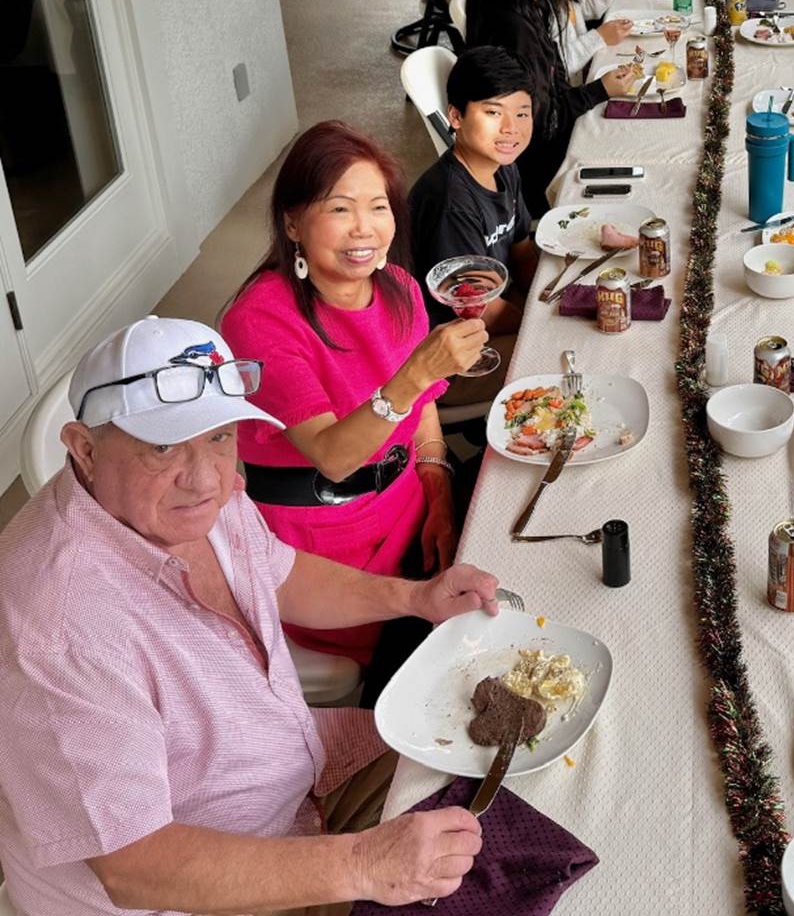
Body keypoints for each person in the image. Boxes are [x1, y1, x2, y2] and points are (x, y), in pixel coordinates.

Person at [0, 314, 501, 913]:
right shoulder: (59, 624)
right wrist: (366, 863)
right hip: (194, 892)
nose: (208, 478)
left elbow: (276, 569)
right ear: (84, 448)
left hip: (297, 776)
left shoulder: (183, 499)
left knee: (492, 750)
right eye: (162, 445)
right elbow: (133, 865)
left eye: (219, 435)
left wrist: (413, 598)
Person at [220, 122, 486, 698]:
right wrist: (419, 370)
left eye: (378, 207)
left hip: (408, 509)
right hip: (324, 549)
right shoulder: (259, 321)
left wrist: (436, 483)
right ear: (293, 222)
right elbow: (335, 456)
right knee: (449, 674)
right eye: (340, 208)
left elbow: (425, 412)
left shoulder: (397, 285)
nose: (365, 229)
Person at [465, 0, 639, 214]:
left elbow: (552, 78)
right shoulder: (515, 28)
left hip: (517, 148)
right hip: (528, 169)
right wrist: (599, 90)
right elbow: (546, 123)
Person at [408, 47, 541, 404]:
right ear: (456, 116)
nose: (511, 128)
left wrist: (545, 299)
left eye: (522, 113)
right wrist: (541, 325)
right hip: (454, 357)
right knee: (553, 357)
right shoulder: (451, 202)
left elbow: (522, 249)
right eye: (493, 113)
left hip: (493, 315)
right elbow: (481, 308)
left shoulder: (503, 166)